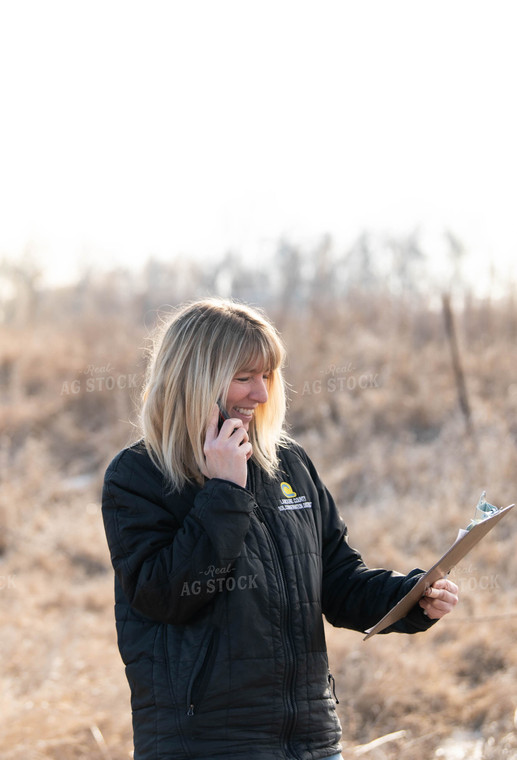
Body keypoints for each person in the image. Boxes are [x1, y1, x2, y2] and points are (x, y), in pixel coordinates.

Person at [101, 297, 458, 760]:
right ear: (194, 378)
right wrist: (224, 490)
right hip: (206, 747)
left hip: (310, 742)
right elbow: (167, 595)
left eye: (267, 376)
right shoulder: (138, 476)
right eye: (244, 377)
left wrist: (412, 597)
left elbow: (338, 582)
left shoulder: (286, 463)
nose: (262, 394)